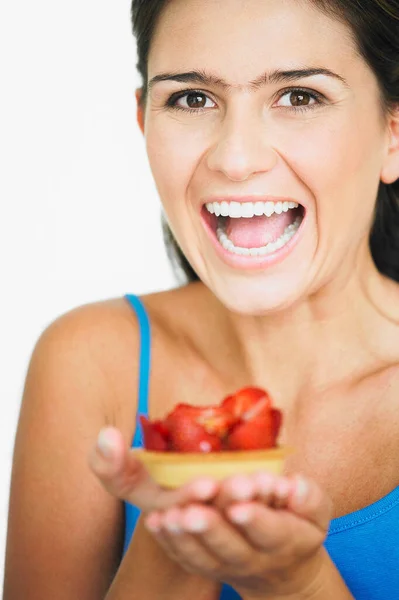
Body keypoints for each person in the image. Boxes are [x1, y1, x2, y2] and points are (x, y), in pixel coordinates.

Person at [4, 0, 399, 598]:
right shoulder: (88, 363)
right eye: (192, 99)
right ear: (143, 122)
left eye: (299, 96)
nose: (235, 159)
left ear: (393, 131)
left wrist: (298, 584)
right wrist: (176, 546)